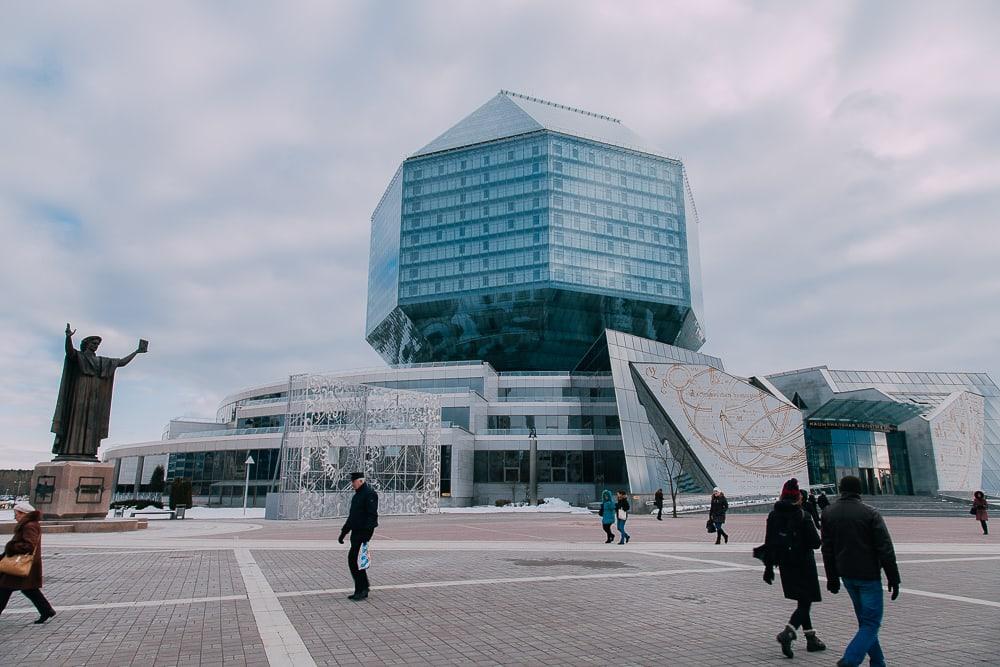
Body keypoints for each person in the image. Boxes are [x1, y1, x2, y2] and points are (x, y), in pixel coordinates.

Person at [821, 476, 900, 667]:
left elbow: (827, 549)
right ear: (859, 490)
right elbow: (885, 548)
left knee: (866, 622)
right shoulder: (870, 513)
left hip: (847, 575)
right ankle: (851, 660)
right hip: (868, 575)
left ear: (841, 489)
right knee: (871, 623)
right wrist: (893, 577)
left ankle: (878, 662)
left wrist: (832, 578)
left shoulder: (829, 513)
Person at [764, 479, 826, 658]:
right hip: (803, 564)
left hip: (785, 564)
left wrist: (768, 568)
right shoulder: (802, 515)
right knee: (805, 602)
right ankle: (788, 633)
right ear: (797, 497)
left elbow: (770, 543)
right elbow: (815, 543)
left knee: (802, 601)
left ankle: (811, 639)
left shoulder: (773, 515)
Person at [0, 502, 56, 624]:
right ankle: (46, 610)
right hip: (25, 564)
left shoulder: (29, 526)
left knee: (4, 588)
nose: (15, 517)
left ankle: (46, 610)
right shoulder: (29, 524)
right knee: (29, 589)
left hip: (20, 563)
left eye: (16, 514)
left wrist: (11, 547)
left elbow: (29, 545)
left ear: (23, 514)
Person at [338, 472, 379, 601]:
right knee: (354, 561)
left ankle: (362, 589)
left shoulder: (369, 494)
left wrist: (367, 534)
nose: (352, 484)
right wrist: (343, 532)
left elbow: (372, 515)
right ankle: (362, 588)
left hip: (363, 533)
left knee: (355, 561)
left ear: (360, 481)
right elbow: (352, 517)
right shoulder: (357, 496)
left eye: (354, 481)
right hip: (356, 533)